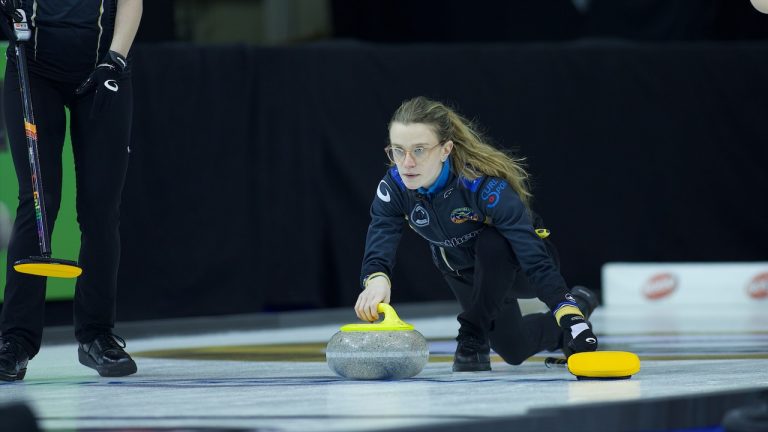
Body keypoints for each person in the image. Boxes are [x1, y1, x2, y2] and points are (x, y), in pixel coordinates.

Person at [355, 96, 599, 372]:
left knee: (492, 242)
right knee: (514, 349)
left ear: (446, 149)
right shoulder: (395, 187)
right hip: (464, 271)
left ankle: (473, 330)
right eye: (398, 150)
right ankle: (580, 304)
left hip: (520, 267)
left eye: (419, 150)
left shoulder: (481, 186)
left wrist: (569, 316)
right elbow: (382, 233)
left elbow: (534, 258)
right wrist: (376, 279)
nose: (407, 162)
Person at [0, 0, 142, 381]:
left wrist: (115, 59)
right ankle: (14, 342)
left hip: (102, 68)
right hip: (33, 69)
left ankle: (98, 335)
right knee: (38, 202)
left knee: (100, 207)